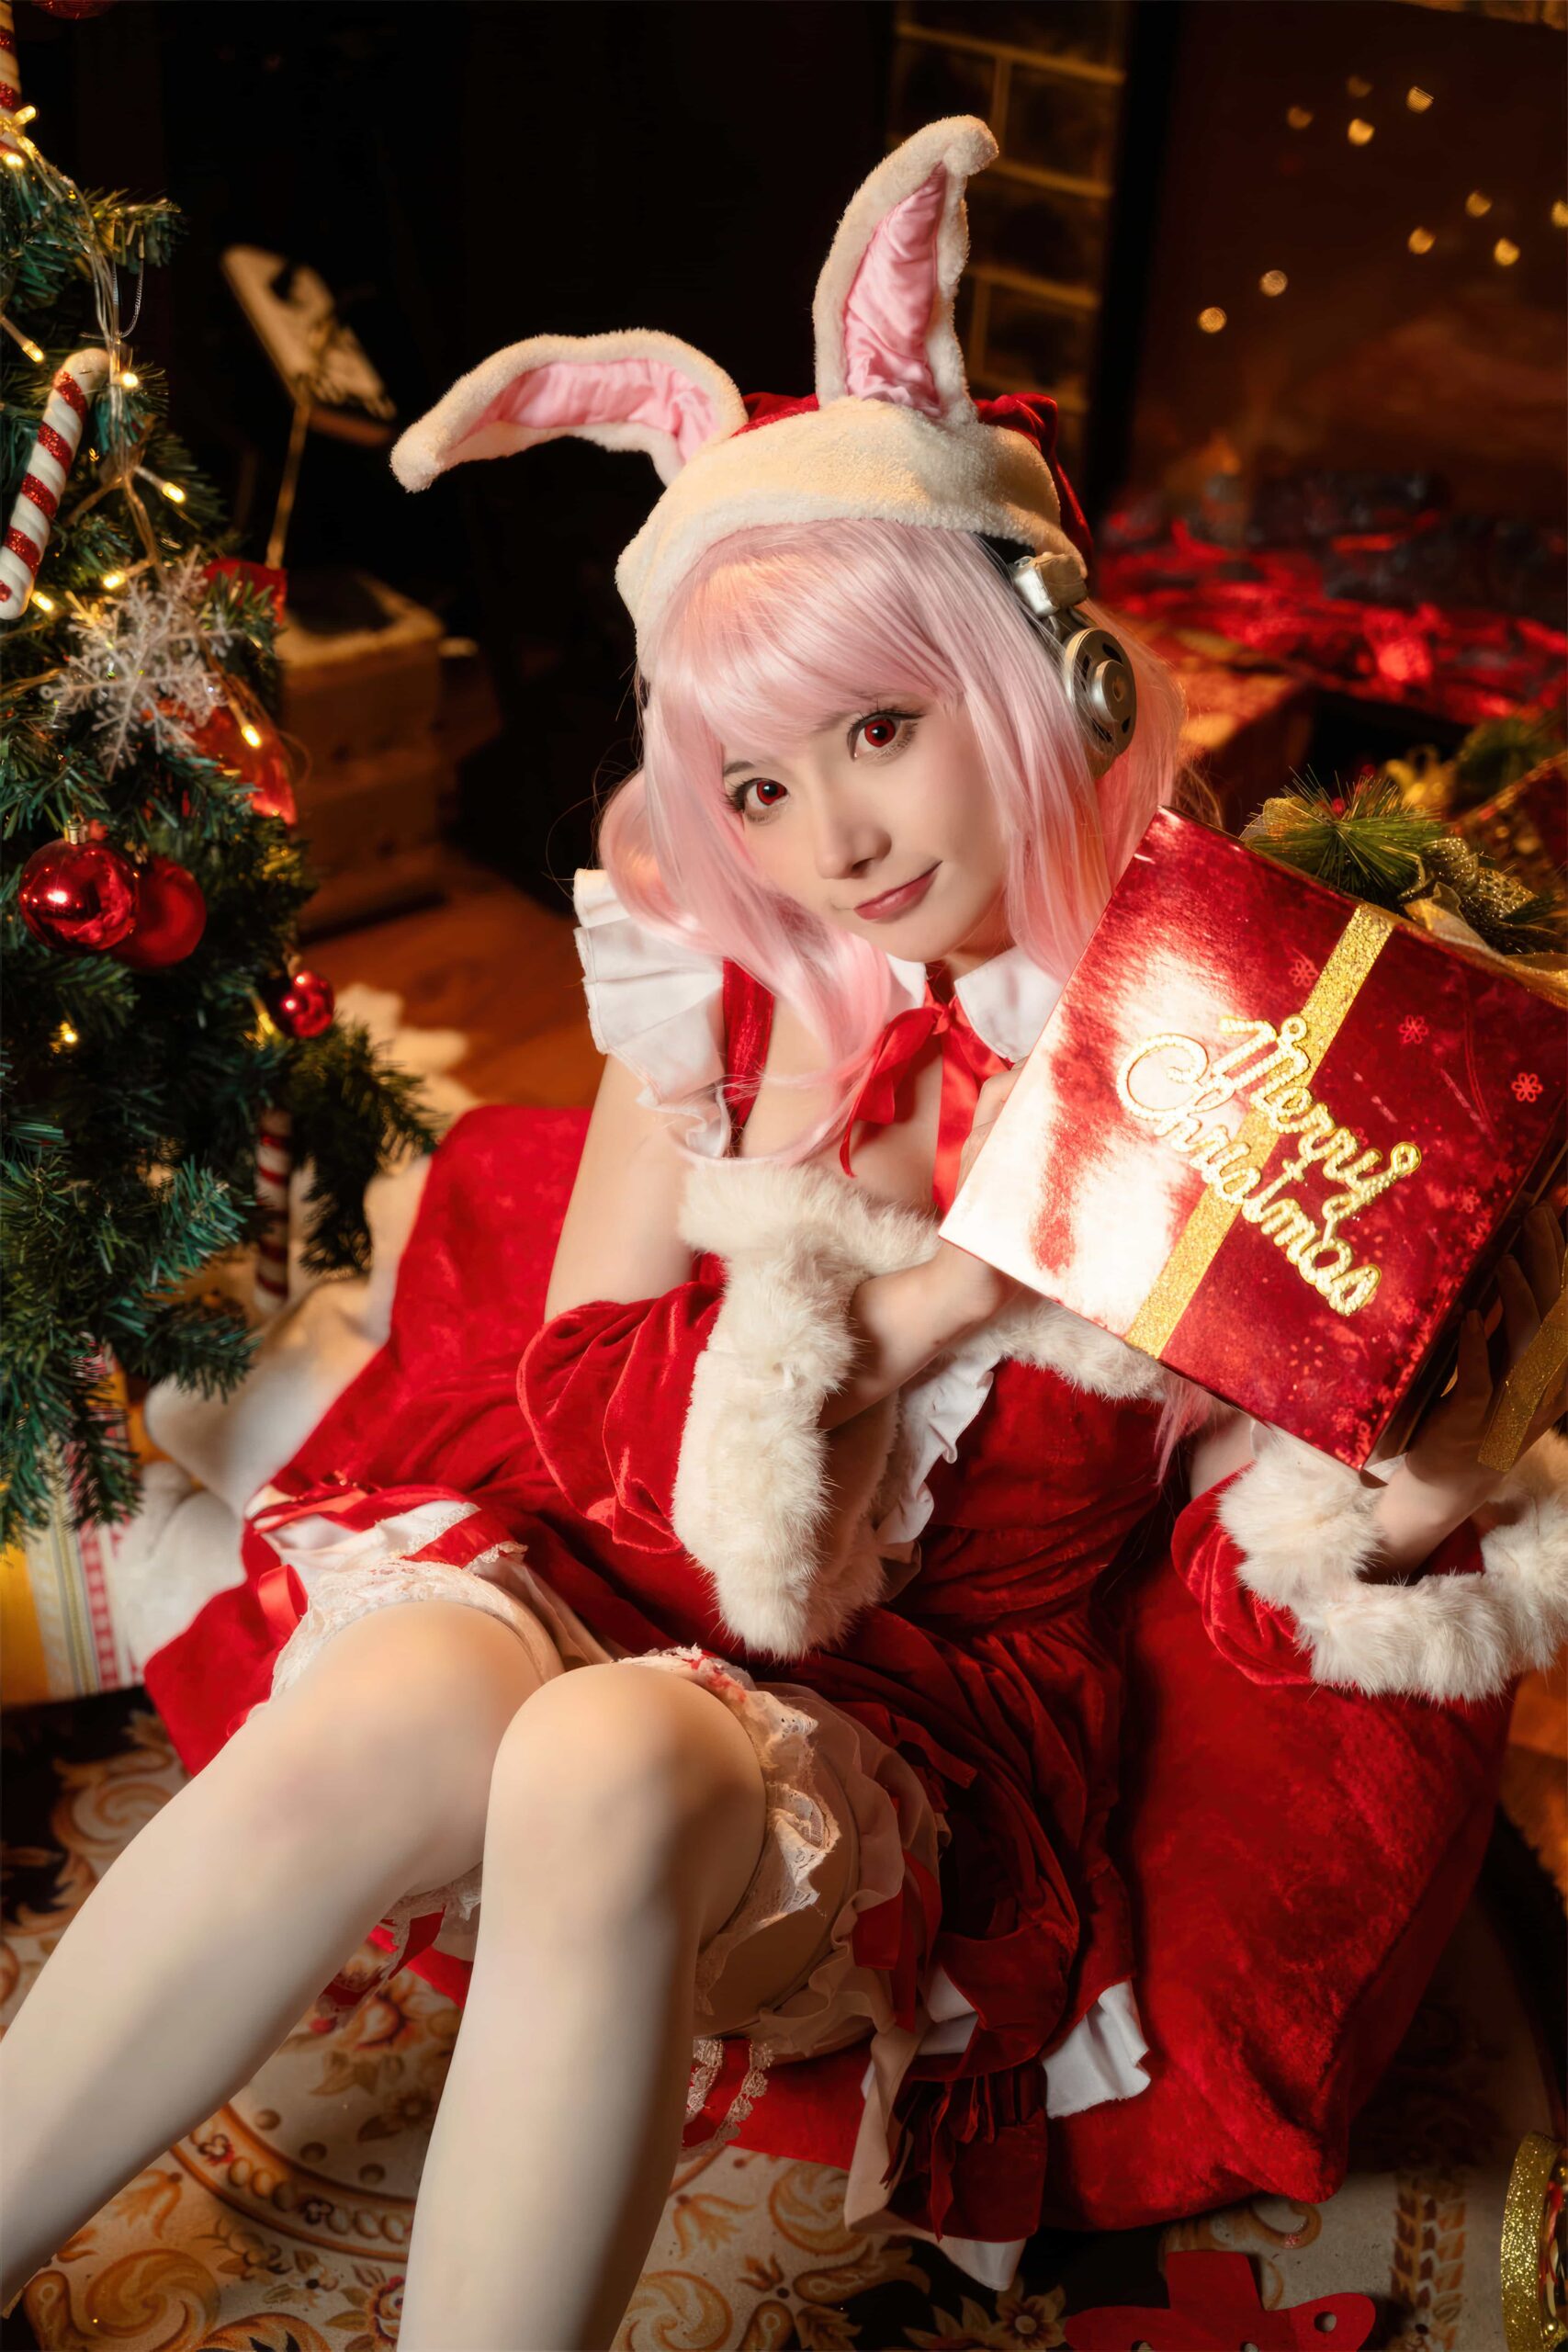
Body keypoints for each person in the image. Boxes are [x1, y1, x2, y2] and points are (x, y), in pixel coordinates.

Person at [3, 116, 1563, 2351]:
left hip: (911, 1728)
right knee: (396, 1693)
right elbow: (564, 1386)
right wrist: (914, 1296)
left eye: (878, 730)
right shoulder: (718, 1009)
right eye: (755, 782)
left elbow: (1284, 1563)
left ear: (1031, 679)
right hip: (602, 1568)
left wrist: (1453, 1420)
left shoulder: (1221, 1048)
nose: (827, 836)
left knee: (605, 1758)